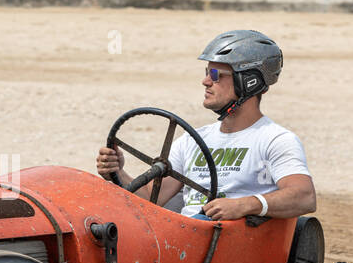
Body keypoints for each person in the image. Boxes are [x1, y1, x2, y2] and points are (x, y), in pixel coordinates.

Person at [95, 31, 315, 221]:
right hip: (185, 237)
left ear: (248, 81)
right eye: (206, 73)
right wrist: (117, 173)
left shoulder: (275, 140)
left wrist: (244, 205)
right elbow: (153, 197)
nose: (206, 81)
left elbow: (304, 196)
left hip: (228, 242)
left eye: (216, 75)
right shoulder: (192, 140)